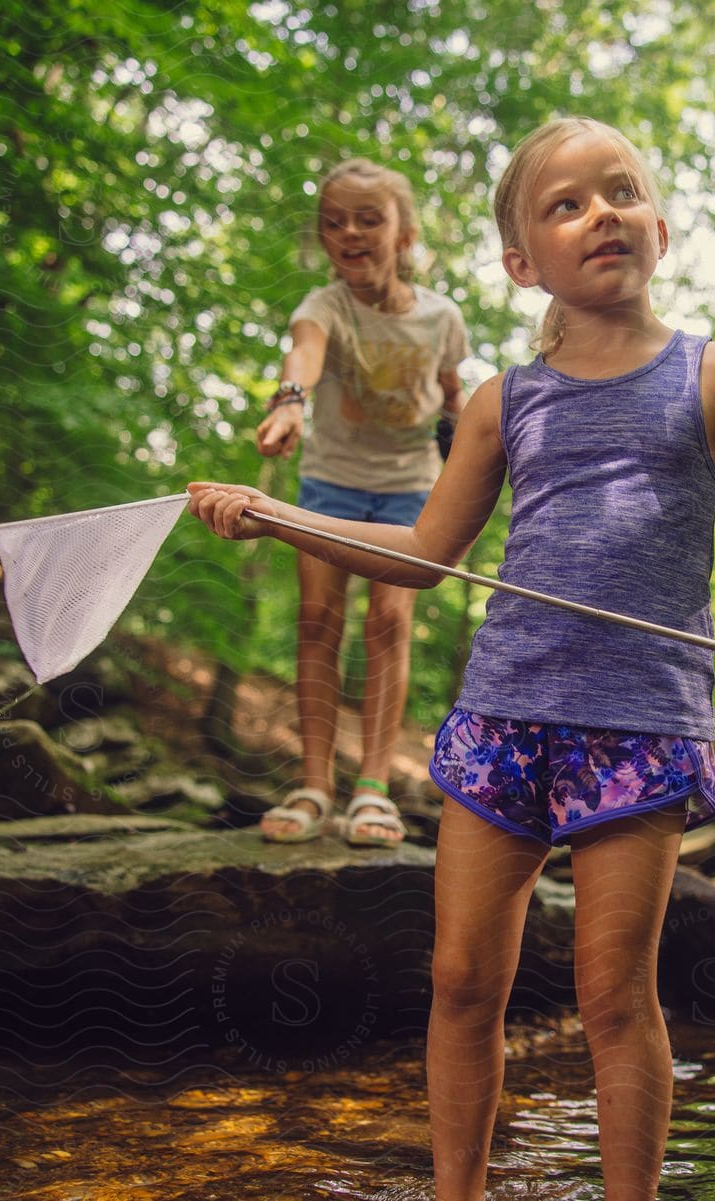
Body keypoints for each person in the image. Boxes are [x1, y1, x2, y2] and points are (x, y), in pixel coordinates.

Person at [188, 117, 715, 1201]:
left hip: (640, 725)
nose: (600, 212)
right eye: (566, 205)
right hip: (502, 716)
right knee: (464, 981)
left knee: (616, 998)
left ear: (660, 224)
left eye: (620, 192)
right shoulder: (500, 401)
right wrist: (283, 519)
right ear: (522, 264)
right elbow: (424, 555)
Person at [252, 158, 470, 846]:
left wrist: (476, 450)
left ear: (403, 235)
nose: (349, 231)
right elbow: (303, 353)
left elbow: (451, 392)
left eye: (368, 218)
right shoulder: (324, 307)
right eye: (334, 221)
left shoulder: (442, 317)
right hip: (332, 481)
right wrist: (291, 404)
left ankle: (371, 789)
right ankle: (315, 783)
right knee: (317, 617)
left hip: (411, 485)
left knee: (390, 622)